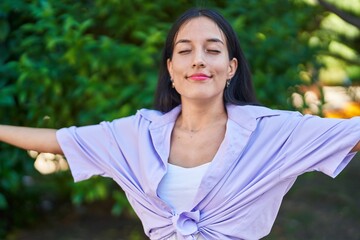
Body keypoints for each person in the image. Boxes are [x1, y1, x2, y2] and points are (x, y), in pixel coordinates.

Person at [1, 7, 359, 240]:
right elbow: (60, 140)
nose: (199, 60)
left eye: (213, 50)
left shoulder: (275, 132)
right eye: (185, 51)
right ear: (171, 69)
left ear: (231, 68)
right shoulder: (137, 134)